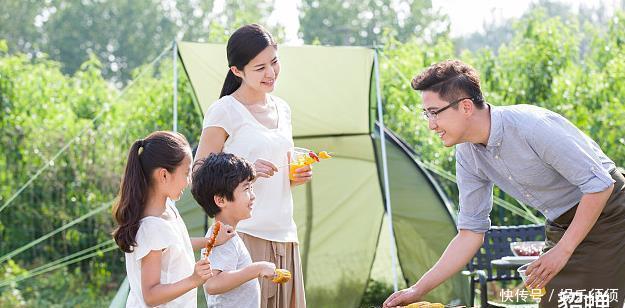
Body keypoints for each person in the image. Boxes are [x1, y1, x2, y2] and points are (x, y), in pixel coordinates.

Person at [383, 60, 625, 308]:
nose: (431, 124)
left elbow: (599, 184)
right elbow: (470, 233)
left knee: (591, 302)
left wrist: (562, 251)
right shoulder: (467, 153)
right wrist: (417, 290)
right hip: (562, 226)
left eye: (435, 113)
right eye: (426, 114)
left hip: (611, 211)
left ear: (465, 106)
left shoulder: (531, 125)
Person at [194, 24, 309, 308]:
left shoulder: (283, 109)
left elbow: (278, 175)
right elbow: (198, 173)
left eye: (274, 62)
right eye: (260, 68)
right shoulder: (225, 110)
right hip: (244, 234)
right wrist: (245, 170)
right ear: (237, 71)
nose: (270, 73)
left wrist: (294, 176)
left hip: (284, 232)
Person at [112, 131, 233, 307]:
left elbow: (175, 246)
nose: (189, 181)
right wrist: (194, 279)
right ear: (163, 175)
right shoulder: (151, 227)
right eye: (186, 174)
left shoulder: (167, 208)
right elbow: (151, 295)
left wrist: (210, 241)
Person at [192, 152, 283, 308]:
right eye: (246, 188)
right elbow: (212, 284)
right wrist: (257, 269)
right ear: (221, 200)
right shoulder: (222, 237)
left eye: (251, 187)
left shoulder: (225, 234)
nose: (253, 196)